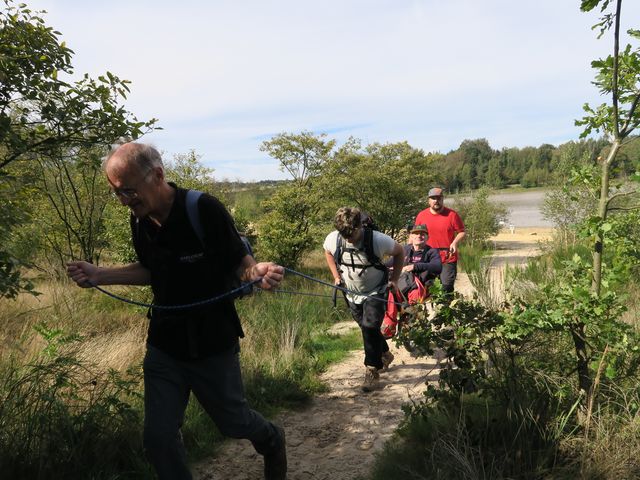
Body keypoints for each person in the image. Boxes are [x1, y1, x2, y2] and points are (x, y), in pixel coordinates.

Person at [66, 143, 287, 480]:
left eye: (128, 190)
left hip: (213, 340)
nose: (124, 200)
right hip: (165, 343)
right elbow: (152, 270)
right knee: (158, 440)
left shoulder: (203, 209)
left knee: (233, 422)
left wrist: (257, 273)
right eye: (117, 193)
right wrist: (100, 274)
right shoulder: (139, 221)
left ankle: (271, 440)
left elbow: (240, 264)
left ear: (157, 175)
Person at [323, 207, 404, 392]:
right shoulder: (333, 239)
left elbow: (399, 252)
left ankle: (372, 369)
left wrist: (394, 280)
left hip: (376, 290)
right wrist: (336, 276)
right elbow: (327, 252)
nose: (348, 238)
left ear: (360, 225)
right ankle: (384, 353)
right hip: (350, 291)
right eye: (344, 234)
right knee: (367, 327)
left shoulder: (377, 239)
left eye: (352, 233)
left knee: (369, 326)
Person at [415, 187, 465, 296]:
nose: (436, 201)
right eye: (433, 198)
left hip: (447, 257)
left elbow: (462, 232)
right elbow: (415, 235)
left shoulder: (452, 215)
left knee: (446, 289)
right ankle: (432, 312)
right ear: (429, 200)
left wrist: (454, 242)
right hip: (428, 258)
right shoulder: (421, 216)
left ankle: (447, 311)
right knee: (428, 289)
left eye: (438, 198)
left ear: (442, 199)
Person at [396, 224, 442, 298]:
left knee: (414, 296)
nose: (419, 236)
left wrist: (414, 266)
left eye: (422, 234)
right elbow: (389, 263)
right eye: (416, 233)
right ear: (411, 236)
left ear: (427, 237)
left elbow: (438, 267)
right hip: (402, 283)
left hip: (421, 286)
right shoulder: (404, 249)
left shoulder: (432, 251)